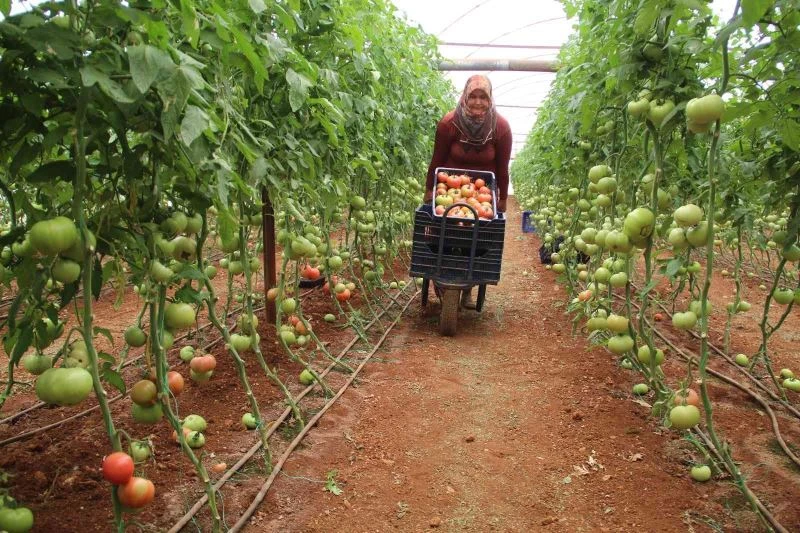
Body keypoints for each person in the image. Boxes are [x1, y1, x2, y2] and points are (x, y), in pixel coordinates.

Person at [423, 74, 512, 309]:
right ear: (465, 96)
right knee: (441, 233)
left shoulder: (500, 128)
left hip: (482, 195)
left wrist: (502, 198)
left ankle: (468, 286)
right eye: (473, 96)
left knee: (477, 238)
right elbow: (437, 160)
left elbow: (502, 168)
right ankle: (441, 279)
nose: (478, 102)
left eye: (483, 96)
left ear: (490, 98)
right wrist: (429, 190)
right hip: (451, 189)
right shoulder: (449, 123)